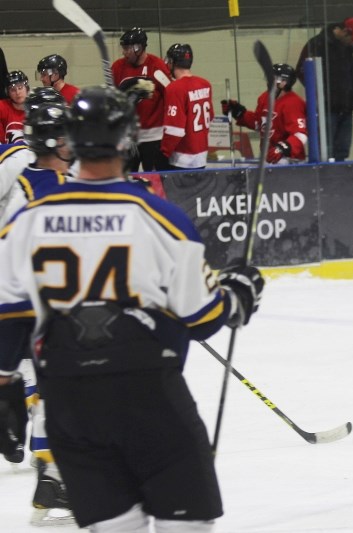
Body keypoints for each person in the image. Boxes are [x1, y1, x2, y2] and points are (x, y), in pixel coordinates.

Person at [0, 84, 264, 531]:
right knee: (186, 523)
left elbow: (7, 313)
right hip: (148, 398)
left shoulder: (28, 222)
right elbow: (202, 318)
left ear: (71, 141)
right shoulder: (159, 218)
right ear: (128, 142)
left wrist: (5, 383)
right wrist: (238, 296)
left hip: (69, 403)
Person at [0, 86, 77, 525]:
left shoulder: (28, 177)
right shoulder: (42, 183)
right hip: (38, 302)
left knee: (48, 385)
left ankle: (51, 474)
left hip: (26, 300)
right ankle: (52, 473)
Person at [295, 17, 353, 161]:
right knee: (325, 151)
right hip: (325, 109)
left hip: (346, 108)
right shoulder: (317, 44)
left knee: (343, 150)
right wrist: (320, 94)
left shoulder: (351, 49)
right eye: (352, 39)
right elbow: (302, 71)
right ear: (345, 32)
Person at [111, 27, 172, 171]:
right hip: (128, 138)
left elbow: (171, 96)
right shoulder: (117, 67)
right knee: (126, 180)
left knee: (155, 181)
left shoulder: (157, 67)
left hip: (154, 138)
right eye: (123, 48)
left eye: (127, 48)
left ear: (138, 48)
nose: (124, 52)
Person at [221, 63, 308, 164]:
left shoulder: (293, 103)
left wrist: (282, 148)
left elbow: (300, 134)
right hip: (268, 157)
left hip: (289, 159)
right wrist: (239, 113)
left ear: (284, 82)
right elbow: (259, 123)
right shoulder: (265, 97)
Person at [161, 43, 213, 170]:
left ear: (172, 62)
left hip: (181, 159)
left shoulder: (175, 88)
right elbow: (210, 116)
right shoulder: (205, 84)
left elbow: (174, 130)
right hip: (201, 156)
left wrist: (163, 153)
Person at [0, 70, 30, 143]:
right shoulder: (2, 107)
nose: (18, 92)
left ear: (27, 88)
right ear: (8, 93)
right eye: (13, 90)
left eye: (20, 88)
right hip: (7, 152)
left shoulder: (36, 109)